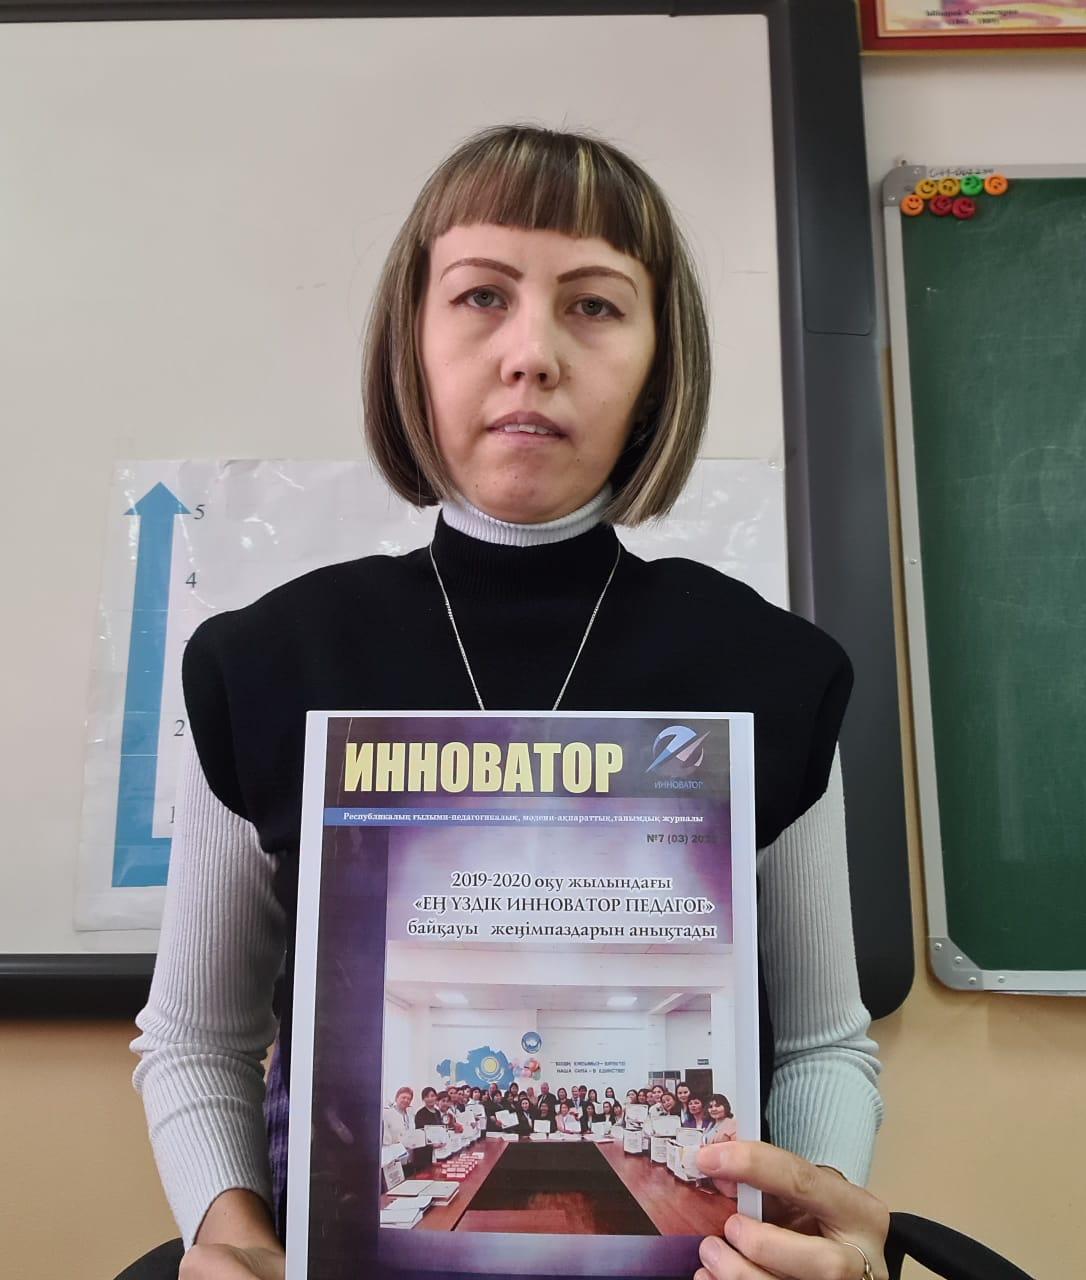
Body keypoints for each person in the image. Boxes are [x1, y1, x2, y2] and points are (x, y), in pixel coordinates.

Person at [130, 122, 887, 1280]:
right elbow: (196, 1038)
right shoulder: (268, 661)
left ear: (657, 364)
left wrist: (817, 1229)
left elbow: (827, 1040)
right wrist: (229, 1233)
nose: (532, 353)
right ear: (414, 340)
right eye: (482, 296)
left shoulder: (772, 670)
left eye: (595, 305)